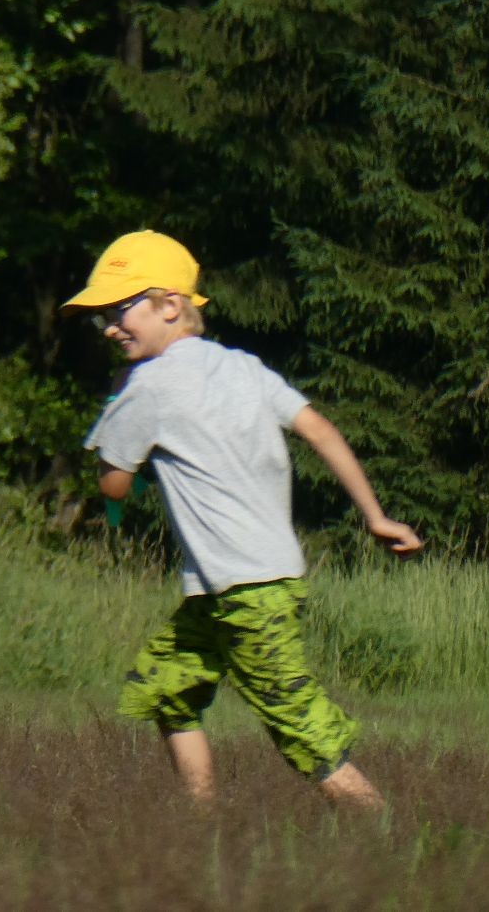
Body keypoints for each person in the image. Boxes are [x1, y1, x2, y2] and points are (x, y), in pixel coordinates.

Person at [65, 230, 422, 810]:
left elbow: (113, 487)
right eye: (100, 317)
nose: (109, 327)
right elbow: (320, 431)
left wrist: (114, 401)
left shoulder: (145, 387)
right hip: (242, 584)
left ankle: (387, 829)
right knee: (169, 690)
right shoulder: (243, 368)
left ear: (170, 305)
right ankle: (203, 824)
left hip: (242, 590)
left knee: (299, 726)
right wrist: (375, 517)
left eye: (118, 309)